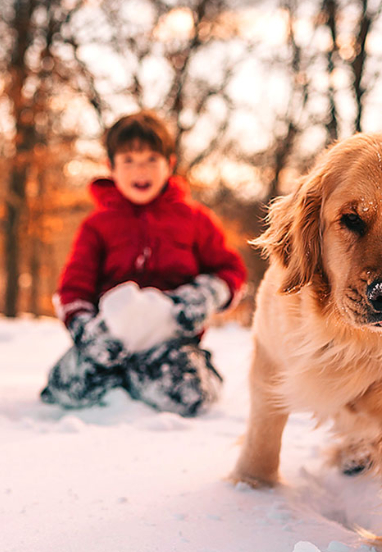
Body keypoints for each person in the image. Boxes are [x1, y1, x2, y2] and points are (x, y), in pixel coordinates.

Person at [41, 111, 247, 416]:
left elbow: (230, 271)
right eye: (129, 160)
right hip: (112, 338)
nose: (141, 170)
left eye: (151, 159)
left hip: (170, 338)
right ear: (111, 166)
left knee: (189, 396)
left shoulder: (194, 220)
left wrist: (202, 296)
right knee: (66, 390)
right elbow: (74, 287)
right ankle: (123, 376)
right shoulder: (97, 226)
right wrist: (85, 330)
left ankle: (190, 373)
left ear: (170, 164)